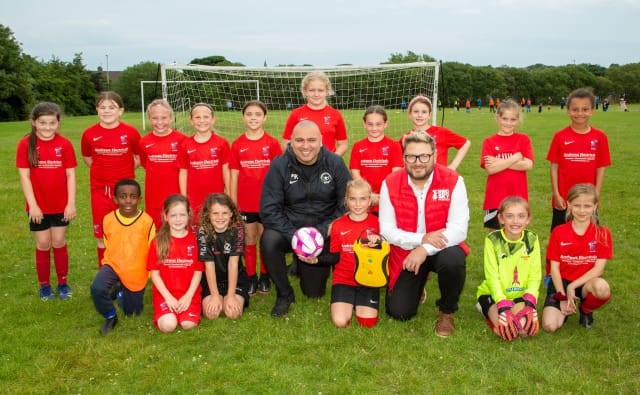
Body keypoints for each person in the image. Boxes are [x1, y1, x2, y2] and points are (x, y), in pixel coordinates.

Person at [379, 132, 469, 337]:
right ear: (404, 158)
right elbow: (386, 230)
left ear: (435, 155)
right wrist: (419, 240)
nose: (418, 162)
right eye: (411, 157)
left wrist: (424, 248)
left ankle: (446, 311)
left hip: (441, 248)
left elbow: (458, 229)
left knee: (454, 259)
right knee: (399, 312)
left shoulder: (453, 180)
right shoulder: (390, 182)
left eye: (424, 156)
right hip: (406, 252)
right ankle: (418, 287)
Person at [260, 120, 351, 317]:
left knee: (313, 292)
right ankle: (285, 294)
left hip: (323, 231)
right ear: (290, 142)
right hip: (290, 229)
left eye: (311, 140)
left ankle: (301, 264)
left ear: (321, 141)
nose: (305, 146)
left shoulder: (335, 163)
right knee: (268, 240)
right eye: (299, 140)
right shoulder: (279, 165)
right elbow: (268, 210)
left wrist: (322, 230)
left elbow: (346, 203)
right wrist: (296, 236)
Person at [16, 102, 77, 301]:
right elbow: (24, 177)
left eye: (52, 123)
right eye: (43, 123)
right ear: (34, 122)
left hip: (60, 205)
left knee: (59, 241)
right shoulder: (25, 144)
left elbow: (71, 175)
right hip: (38, 206)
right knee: (43, 243)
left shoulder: (65, 144)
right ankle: (44, 285)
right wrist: (32, 205)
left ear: (58, 123)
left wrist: (70, 203)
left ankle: (62, 282)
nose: (47, 127)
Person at [229, 100, 282, 295]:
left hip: (268, 203)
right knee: (249, 239)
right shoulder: (237, 144)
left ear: (264, 117)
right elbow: (233, 175)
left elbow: (279, 174)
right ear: (243, 117)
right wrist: (233, 202)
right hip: (246, 203)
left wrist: (278, 200)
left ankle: (265, 276)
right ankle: (251, 277)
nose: (253, 118)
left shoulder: (272, 143)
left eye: (257, 114)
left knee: (266, 239)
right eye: (249, 114)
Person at [81, 91, 141, 267]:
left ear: (120, 111)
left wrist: (123, 170)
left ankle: (126, 275)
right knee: (102, 235)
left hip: (126, 192)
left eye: (112, 107)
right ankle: (105, 278)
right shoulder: (89, 134)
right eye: (102, 107)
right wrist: (103, 171)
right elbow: (88, 158)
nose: (107, 111)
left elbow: (138, 157)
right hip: (100, 190)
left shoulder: (130, 132)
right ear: (97, 110)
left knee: (126, 232)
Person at [542, 184, 612, 331]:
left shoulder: (602, 233)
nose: (581, 210)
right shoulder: (558, 232)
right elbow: (554, 268)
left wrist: (573, 287)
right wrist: (562, 296)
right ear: (569, 205)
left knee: (602, 288)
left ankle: (586, 309)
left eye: (587, 206)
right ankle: (566, 306)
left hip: (586, 282)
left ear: (595, 206)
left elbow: (598, 269)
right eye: (577, 205)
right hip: (561, 282)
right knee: (550, 326)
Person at [90, 179, 156, 335]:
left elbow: (152, 249)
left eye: (133, 196)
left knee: (132, 312)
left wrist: (151, 274)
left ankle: (120, 290)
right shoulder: (108, 219)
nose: (128, 200)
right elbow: (108, 243)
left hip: (136, 270)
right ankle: (110, 317)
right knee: (97, 288)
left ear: (139, 199)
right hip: (113, 265)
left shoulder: (147, 221)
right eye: (123, 196)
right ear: (115, 199)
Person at [476, 197, 541, 341]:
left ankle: (511, 310)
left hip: (519, 295)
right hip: (493, 294)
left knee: (523, 331)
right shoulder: (492, 239)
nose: (515, 221)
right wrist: (502, 303)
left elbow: (535, 275)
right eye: (509, 216)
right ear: (501, 218)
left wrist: (530, 299)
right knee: (508, 333)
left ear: (528, 219)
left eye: (521, 216)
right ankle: (485, 307)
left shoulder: (532, 239)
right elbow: (491, 275)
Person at [546, 88, 611, 231]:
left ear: (592, 110)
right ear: (568, 110)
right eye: (575, 109)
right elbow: (554, 167)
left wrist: (596, 193)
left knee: (589, 239)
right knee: (560, 238)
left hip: (588, 199)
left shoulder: (600, 137)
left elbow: (601, 167)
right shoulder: (560, 136)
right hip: (563, 199)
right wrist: (556, 194)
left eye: (585, 109)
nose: (580, 113)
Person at [329, 179, 381, 328]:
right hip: (344, 279)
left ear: (370, 200)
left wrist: (377, 243)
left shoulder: (378, 223)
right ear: (346, 200)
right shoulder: (338, 225)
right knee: (340, 322)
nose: (358, 204)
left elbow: (385, 252)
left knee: (367, 323)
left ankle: (357, 302)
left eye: (363, 199)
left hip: (368, 279)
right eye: (353, 199)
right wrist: (315, 259)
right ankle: (344, 301)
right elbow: (334, 256)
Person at [147, 195, 203, 333]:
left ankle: (185, 311)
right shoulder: (158, 241)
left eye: (182, 215)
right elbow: (155, 275)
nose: (178, 219)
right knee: (168, 325)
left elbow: (198, 271)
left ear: (189, 215)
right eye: (173, 215)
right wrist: (169, 298)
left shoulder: (195, 240)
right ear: (165, 216)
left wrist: (188, 296)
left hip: (189, 293)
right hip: (165, 294)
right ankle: (169, 313)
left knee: (187, 324)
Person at [481, 99, 533, 230]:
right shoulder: (489, 141)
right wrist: (515, 158)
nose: (508, 123)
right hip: (495, 198)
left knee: (517, 236)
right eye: (505, 119)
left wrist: (498, 161)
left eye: (513, 120)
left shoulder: (523, 139)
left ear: (518, 120)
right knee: (495, 237)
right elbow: (491, 169)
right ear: (498, 118)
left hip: (518, 197)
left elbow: (528, 165)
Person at [198, 193, 251, 320]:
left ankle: (229, 296)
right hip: (212, 280)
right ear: (208, 214)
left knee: (232, 313)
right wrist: (215, 296)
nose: (220, 217)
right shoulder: (203, 232)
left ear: (232, 213)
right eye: (215, 213)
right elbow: (209, 266)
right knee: (212, 314)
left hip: (235, 279)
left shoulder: (237, 230)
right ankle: (218, 296)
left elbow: (233, 264)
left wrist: (231, 296)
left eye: (224, 213)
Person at [139, 99, 186, 228]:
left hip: (177, 195)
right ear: (149, 118)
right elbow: (145, 163)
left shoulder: (182, 140)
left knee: (177, 231)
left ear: (171, 117)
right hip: (154, 197)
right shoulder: (144, 142)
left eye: (164, 118)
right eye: (155, 118)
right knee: (157, 234)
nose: (160, 122)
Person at [178, 103, 230, 220]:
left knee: (215, 225)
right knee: (196, 227)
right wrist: (183, 197)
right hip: (193, 197)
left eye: (206, 117)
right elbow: (183, 172)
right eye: (197, 117)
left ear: (213, 120)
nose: (202, 120)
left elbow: (226, 171)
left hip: (216, 197)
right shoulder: (185, 144)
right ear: (191, 121)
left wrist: (229, 194)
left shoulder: (222, 143)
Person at [349, 105, 403, 214]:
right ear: (364, 124)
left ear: (386, 124)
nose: (374, 128)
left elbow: (395, 175)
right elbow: (355, 174)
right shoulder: (358, 146)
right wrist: (368, 194)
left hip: (388, 197)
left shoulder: (394, 145)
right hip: (364, 199)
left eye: (378, 124)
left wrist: (382, 196)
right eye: (370, 124)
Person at [281, 71, 348, 156]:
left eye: (320, 90)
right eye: (312, 90)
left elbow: (343, 144)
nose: (316, 94)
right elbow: (286, 143)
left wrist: (332, 160)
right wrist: (298, 160)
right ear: (305, 91)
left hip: (327, 166)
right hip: (302, 164)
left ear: (327, 91)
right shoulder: (296, 114)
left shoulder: (335, 114)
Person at [399, 95, 471, 171]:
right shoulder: (406, 137)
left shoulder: (442, 132)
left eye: (424, 112)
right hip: (416, 180)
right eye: (416, 112)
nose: (420, 115)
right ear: (410, 114)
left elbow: (466, 143)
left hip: (439, 179)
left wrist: (453, 166)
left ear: (429, 115)